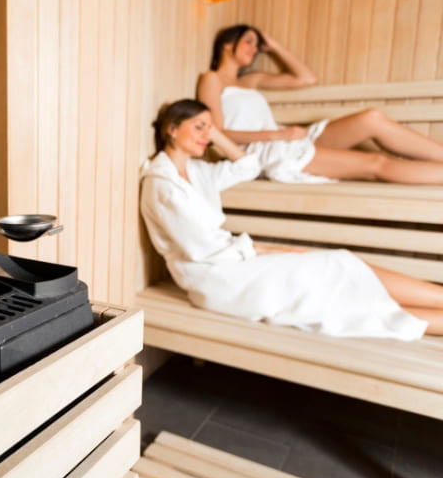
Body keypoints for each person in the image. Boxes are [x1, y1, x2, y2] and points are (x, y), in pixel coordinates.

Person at [139, 99, 443, 339]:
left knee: (341, 271)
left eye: (209, 129)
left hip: (234, 265)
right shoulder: (162, 184)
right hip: (217, 280)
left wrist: (215, 133)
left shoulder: (198, 172)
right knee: (337, 272)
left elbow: (248, 165)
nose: (206, 136)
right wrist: (267, 249)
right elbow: (203, 249)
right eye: (199, 127)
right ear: (172, 128)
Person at [196, 24, 443, 184]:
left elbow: (307, 78)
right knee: (375, 164)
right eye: (249, 41)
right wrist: (277, 134)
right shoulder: (212, 79)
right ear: (227, 44)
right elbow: (218, 133)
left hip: (288, 138)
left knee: (372, 118)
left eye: (257, 45)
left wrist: (275, 46)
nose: (255, 49)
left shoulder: (250, 79)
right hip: (264, 149)